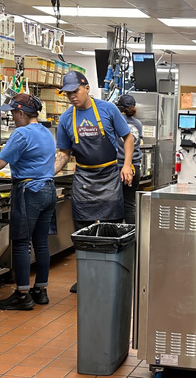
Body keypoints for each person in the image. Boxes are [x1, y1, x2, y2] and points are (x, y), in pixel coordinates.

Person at [55, 72, 134, 292]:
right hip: (83, 179)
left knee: (112, 228)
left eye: (75, 91)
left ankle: (114, 273)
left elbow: (128, 137)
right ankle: (86, 277)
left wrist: (126, 165)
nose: (72, 96)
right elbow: (63, 152)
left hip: (109, 174)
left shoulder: (108, 110)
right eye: (68, 93)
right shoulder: (65, 119)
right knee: (82, 231)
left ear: (87, 88)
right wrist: (49, 172)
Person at [0, 94, 56, 310]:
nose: (12, 116)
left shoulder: (21, 133)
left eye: (13, 112)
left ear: (21, 113)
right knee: (41, 243)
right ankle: (40, 290)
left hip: (29, 191)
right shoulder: (46, 132)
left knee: (22, 243)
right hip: (48, 190)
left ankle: (22, 294)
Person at [114, 94, 143, 225]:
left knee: (115, 204)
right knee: (129, 205)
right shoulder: (138, 123)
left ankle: (116, 236)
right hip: (135, 167)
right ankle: (132, 238)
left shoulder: (117, 122)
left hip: (120, 167)